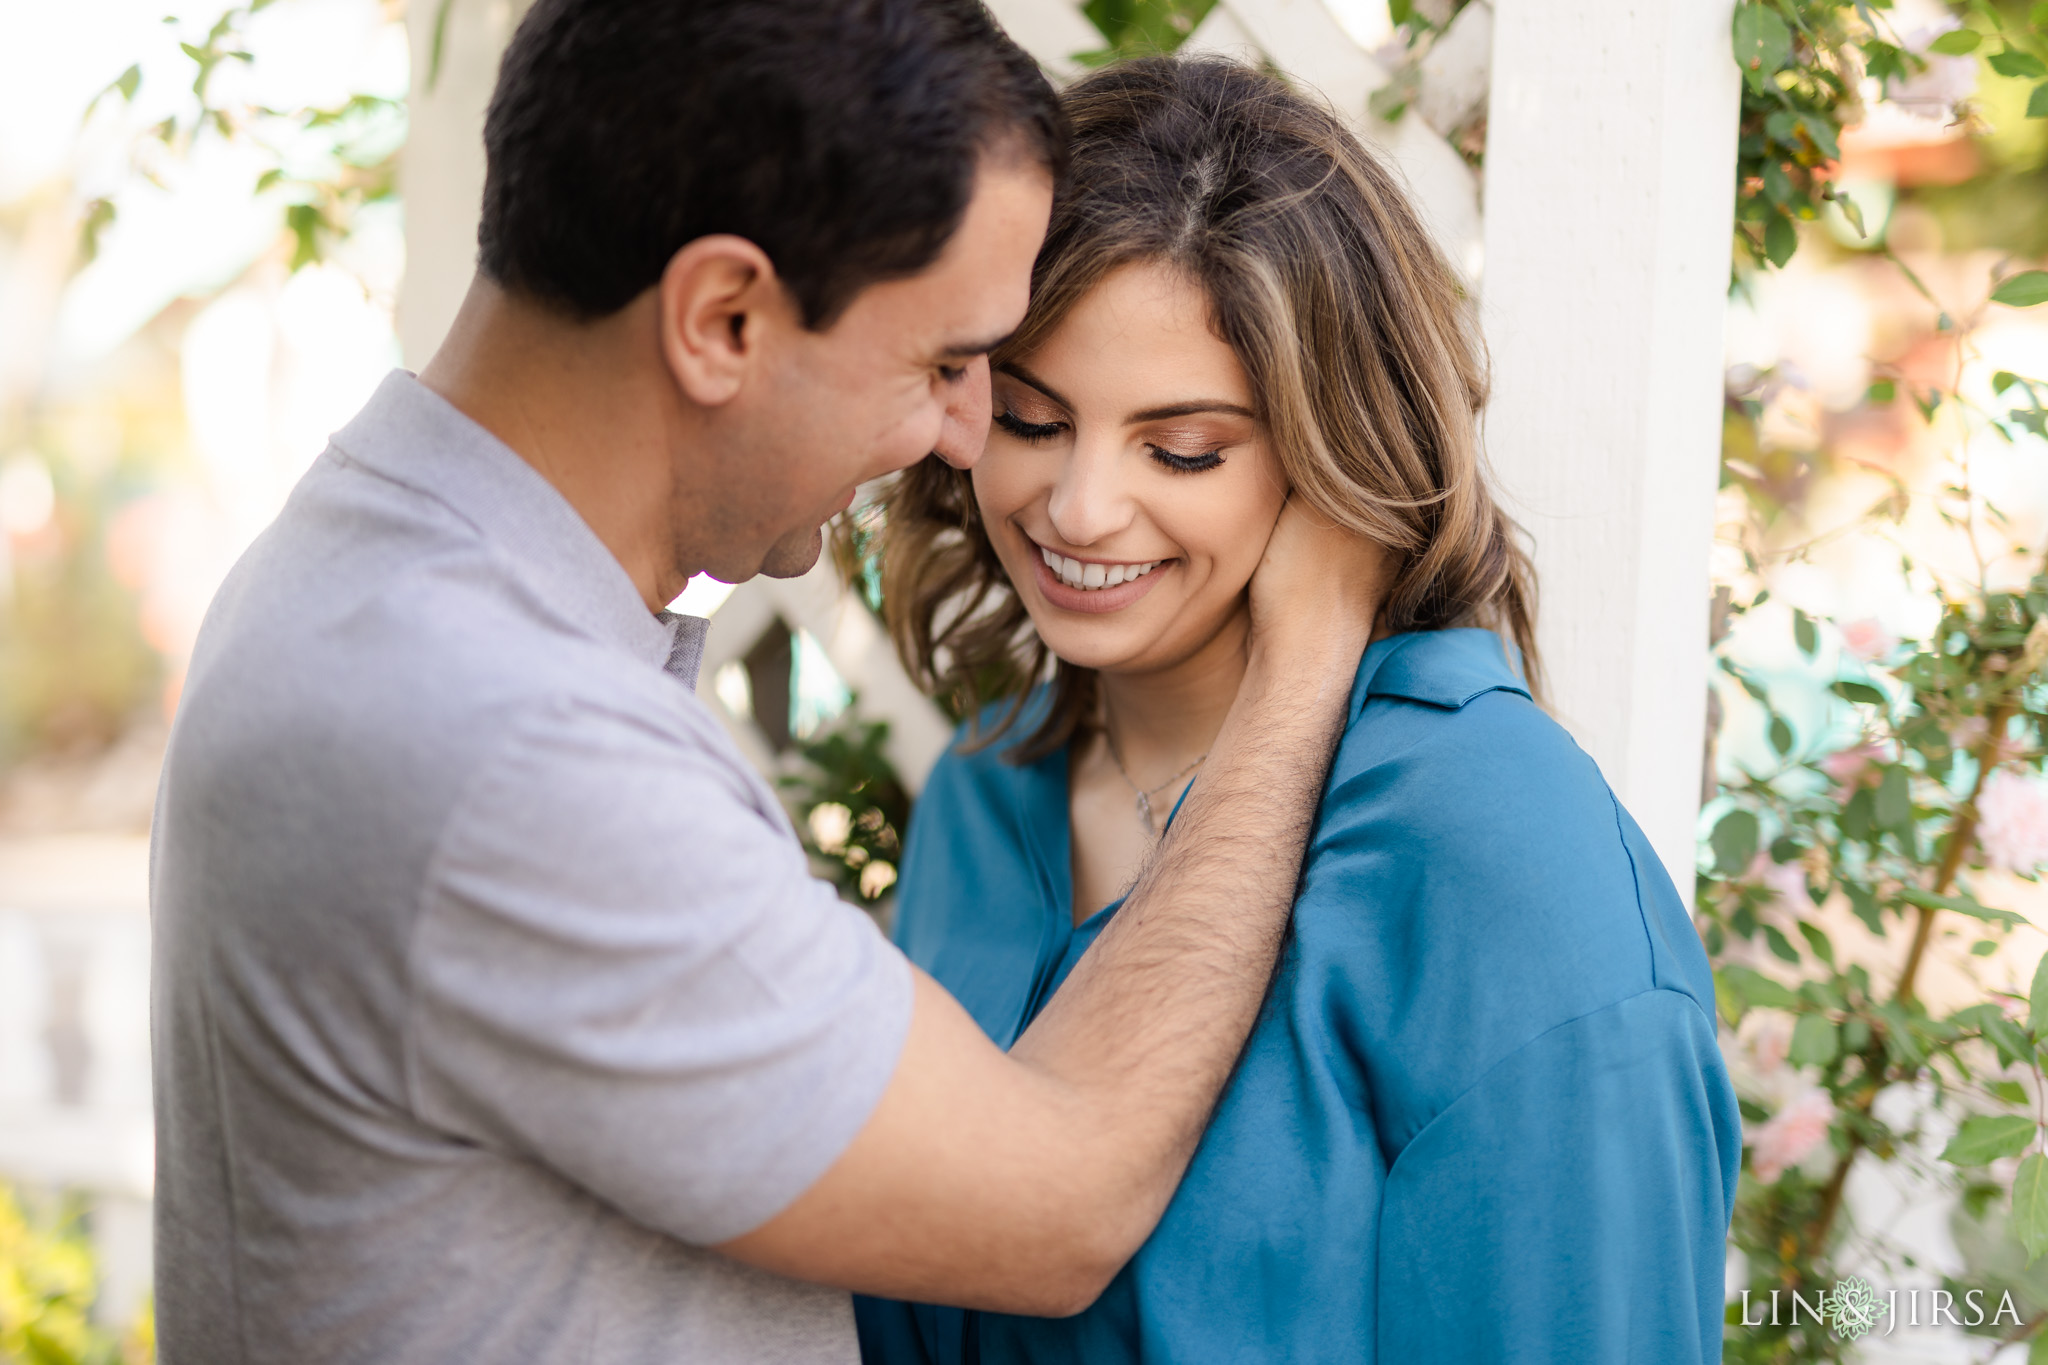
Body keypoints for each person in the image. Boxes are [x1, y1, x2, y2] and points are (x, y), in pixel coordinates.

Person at [148, 5, 1394, 1363]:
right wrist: (1311, 645)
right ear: (722, 317)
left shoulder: (361, 578)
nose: (968, 434)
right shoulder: (508, 741)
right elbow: (1065, 1196)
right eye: (945, 364)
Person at [853, 56, 1741, 1365]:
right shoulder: (988, 792)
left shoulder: (1496, 849)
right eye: (1034, 420)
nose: (1082, 507)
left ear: (1333, 447)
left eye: (1184, 449)